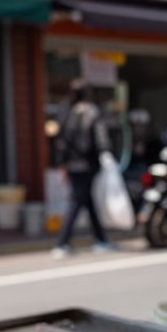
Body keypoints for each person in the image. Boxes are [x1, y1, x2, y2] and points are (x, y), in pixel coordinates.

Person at [52, 81, 117, 258]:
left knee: (88, 202)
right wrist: (105, 155)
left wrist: (62, 163)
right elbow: (100, 138)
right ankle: (62, 243)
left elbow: (60, 142)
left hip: (73, 165)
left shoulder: (67, 112)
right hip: (88, 165)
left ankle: (101, 239)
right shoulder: (91, 112)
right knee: (76, 202)